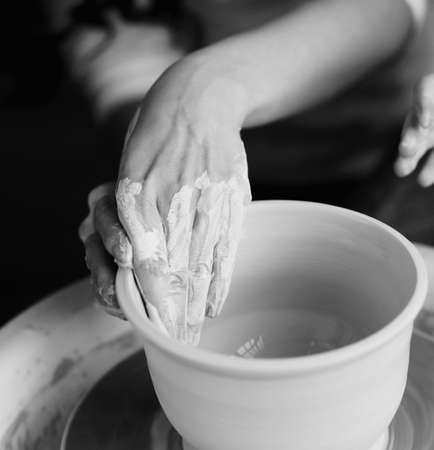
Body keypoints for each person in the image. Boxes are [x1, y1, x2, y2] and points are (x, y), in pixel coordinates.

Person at [65, 0, 433, 334]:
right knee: (154, 270)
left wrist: (204, 89)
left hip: (409, 135)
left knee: (390, 285)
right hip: (224, 154)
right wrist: (144, 162)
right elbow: (119, 43)